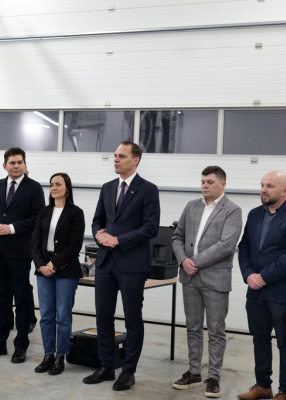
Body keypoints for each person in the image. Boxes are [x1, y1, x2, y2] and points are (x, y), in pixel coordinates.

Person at [83, 141, 160, 391]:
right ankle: (106, 366)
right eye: (115, 155)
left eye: (122, 156)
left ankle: (128, 371)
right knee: (103, 316)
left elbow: (150, 228)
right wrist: (99, 235)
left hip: (132, 264)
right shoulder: (107, 188)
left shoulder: (148, 190)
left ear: (135, 160)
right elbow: (97, 220)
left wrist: (118, 240)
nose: (116, 159)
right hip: (106, 262)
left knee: (132, 319)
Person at [171, 165, 242, 398]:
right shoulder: (191, 206)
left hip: (215, 278)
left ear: (223, 184)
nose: (204, 185)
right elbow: (177, 236)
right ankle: (194, 372)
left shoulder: (232, 210)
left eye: (210, 182)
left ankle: (213, 377)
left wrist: (194, 262)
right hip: (189, 277)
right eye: (202, 181)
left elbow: (226, 245)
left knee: (216, 330)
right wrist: (183, 261)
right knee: (192, 328)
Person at [237, 171, 286, 400]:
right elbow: (244, 247)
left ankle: (285, 391)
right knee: (260, 339)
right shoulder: (255, 214)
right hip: (255, 292)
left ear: (284, 191)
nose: (264, 189)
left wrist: (263, 277)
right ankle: (263, 385)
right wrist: (248, 275)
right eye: (262, 185)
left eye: (270, 186)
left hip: (282, 293)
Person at [0, 147, 45, 364]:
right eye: (12, 163)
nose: (16, 166)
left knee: (22, 300)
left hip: (20, 253)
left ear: (25, 164)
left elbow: (38, 218)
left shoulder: (34, 188)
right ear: (4, 165)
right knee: (1, 299)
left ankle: (20, 345)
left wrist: (12, 228)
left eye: (19, 162)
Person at [32, 173, 85, 375]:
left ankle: (60, 356)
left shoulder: (76, 213)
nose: (54, 187)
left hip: (66, 271)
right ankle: (48, 354)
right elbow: (35, 242)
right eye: (52, 184)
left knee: (62, 315)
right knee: (46, 315)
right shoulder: (44, 211)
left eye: (58, 184)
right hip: (43, 270)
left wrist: (53, 264)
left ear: (67, 188)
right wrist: (41, 265)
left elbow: (74, 245)